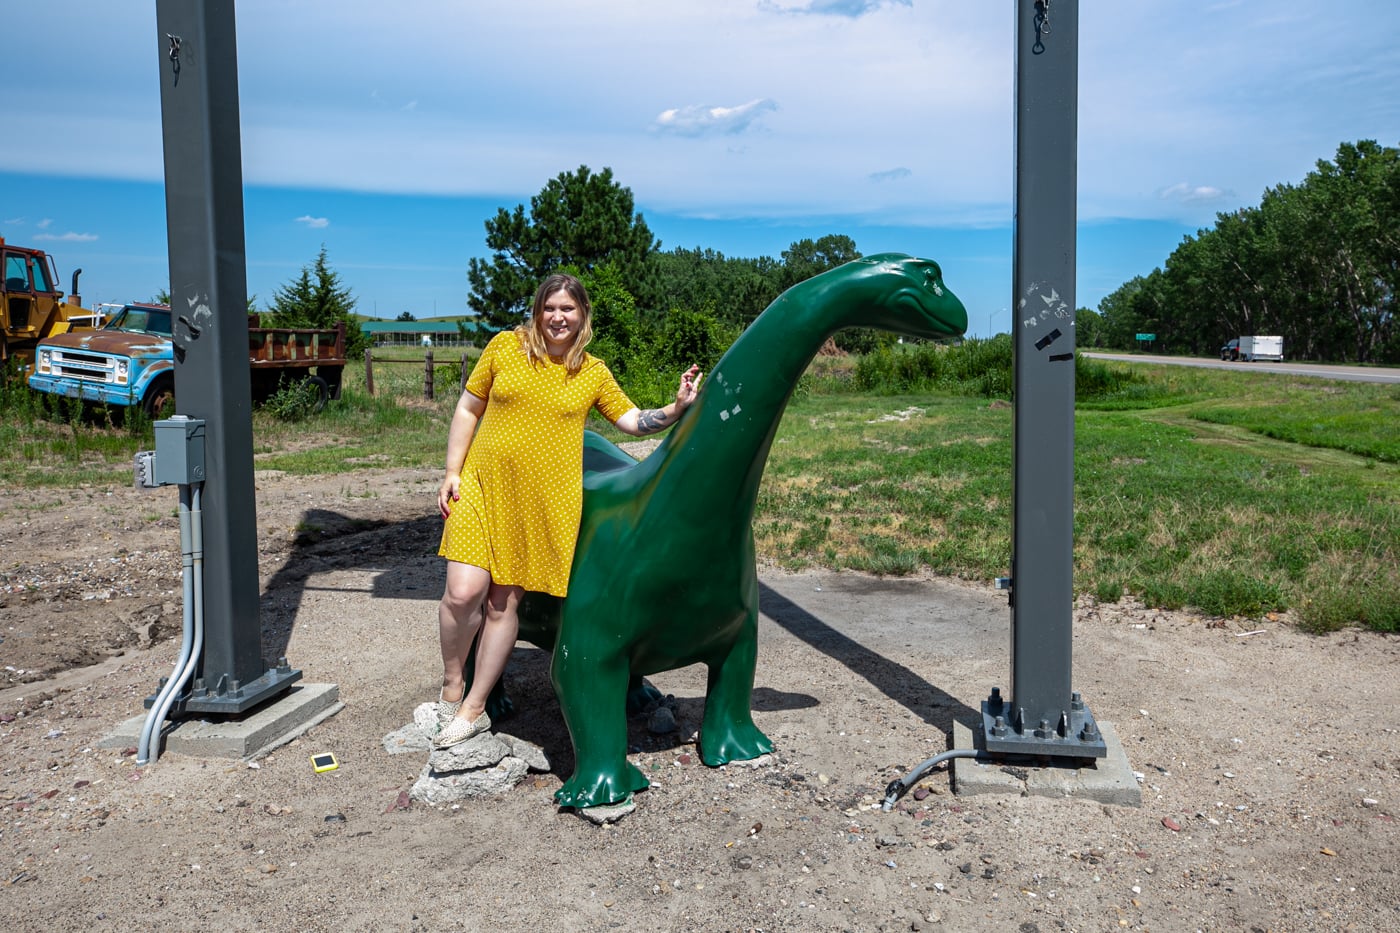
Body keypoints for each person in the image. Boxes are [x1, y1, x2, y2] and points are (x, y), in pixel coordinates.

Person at [432, 273, 701, 748]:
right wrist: (452, 470)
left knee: (503, 602)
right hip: (481, 484)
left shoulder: (591, 372)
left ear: (582, 317)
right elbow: (468, 408)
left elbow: (633, 420)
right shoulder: (504, 348)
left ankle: (473, 705)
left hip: (540, 501)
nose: (558, 317)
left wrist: (675, 407)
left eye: (568, 309)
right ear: (538, 310)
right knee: (461, 592)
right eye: (550, 307)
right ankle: (452, 680)